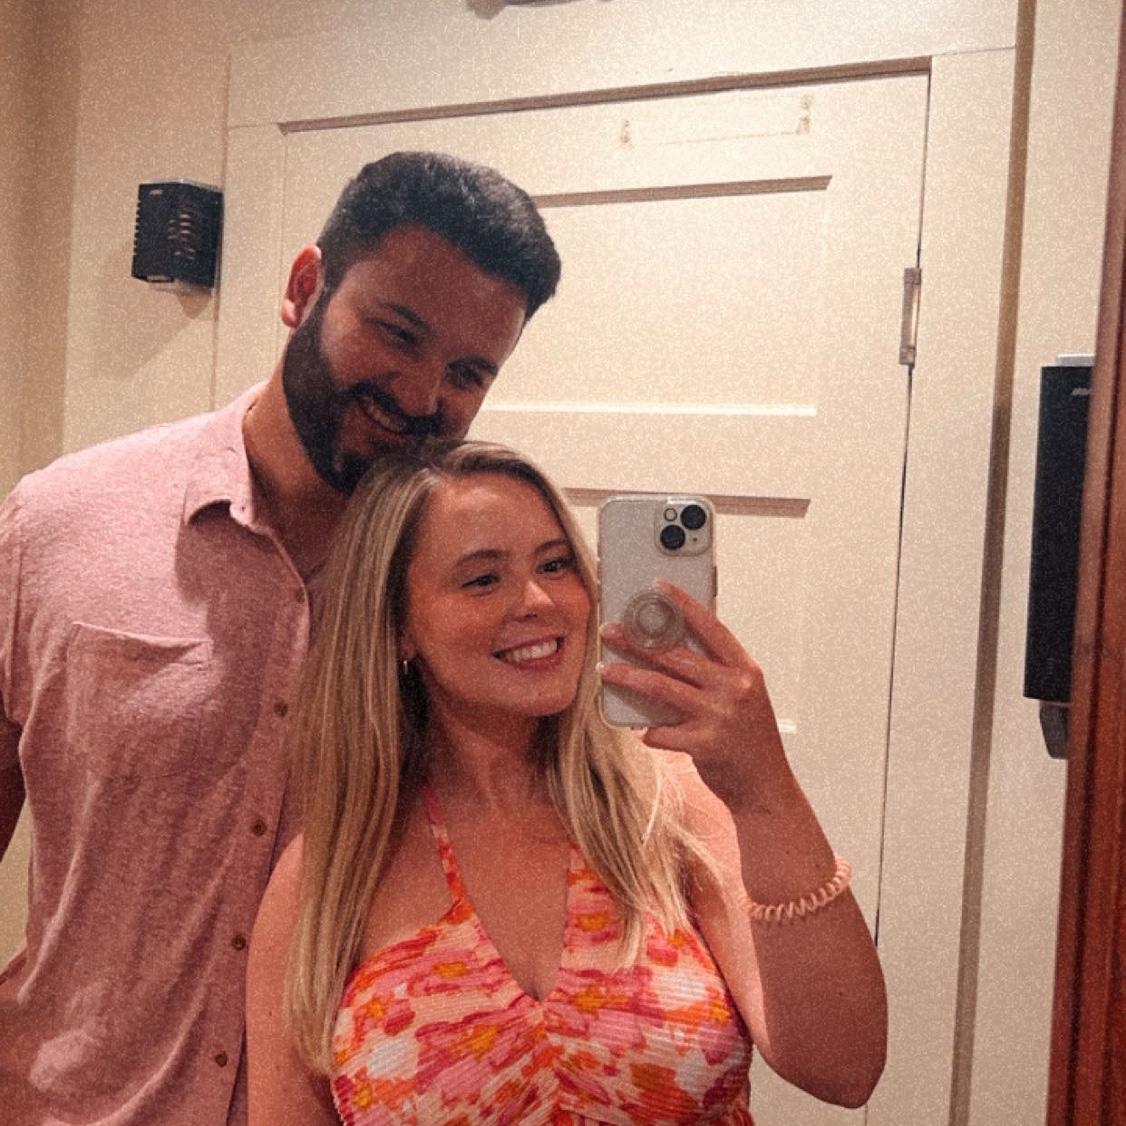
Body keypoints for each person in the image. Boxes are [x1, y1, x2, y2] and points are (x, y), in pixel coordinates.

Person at [0, 152, 561, 1125]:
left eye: (469, 372)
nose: (421, 394)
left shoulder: (481, 594)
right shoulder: (58, 525)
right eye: (397, 333)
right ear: (306, 287)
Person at [246, 441, 888, 1125]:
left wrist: (764, 790)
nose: (538, 600)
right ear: (398, 624)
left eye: (555, 565)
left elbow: (844, 1068)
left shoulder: (670, 809)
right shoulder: (330, 874)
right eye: (482, 579)